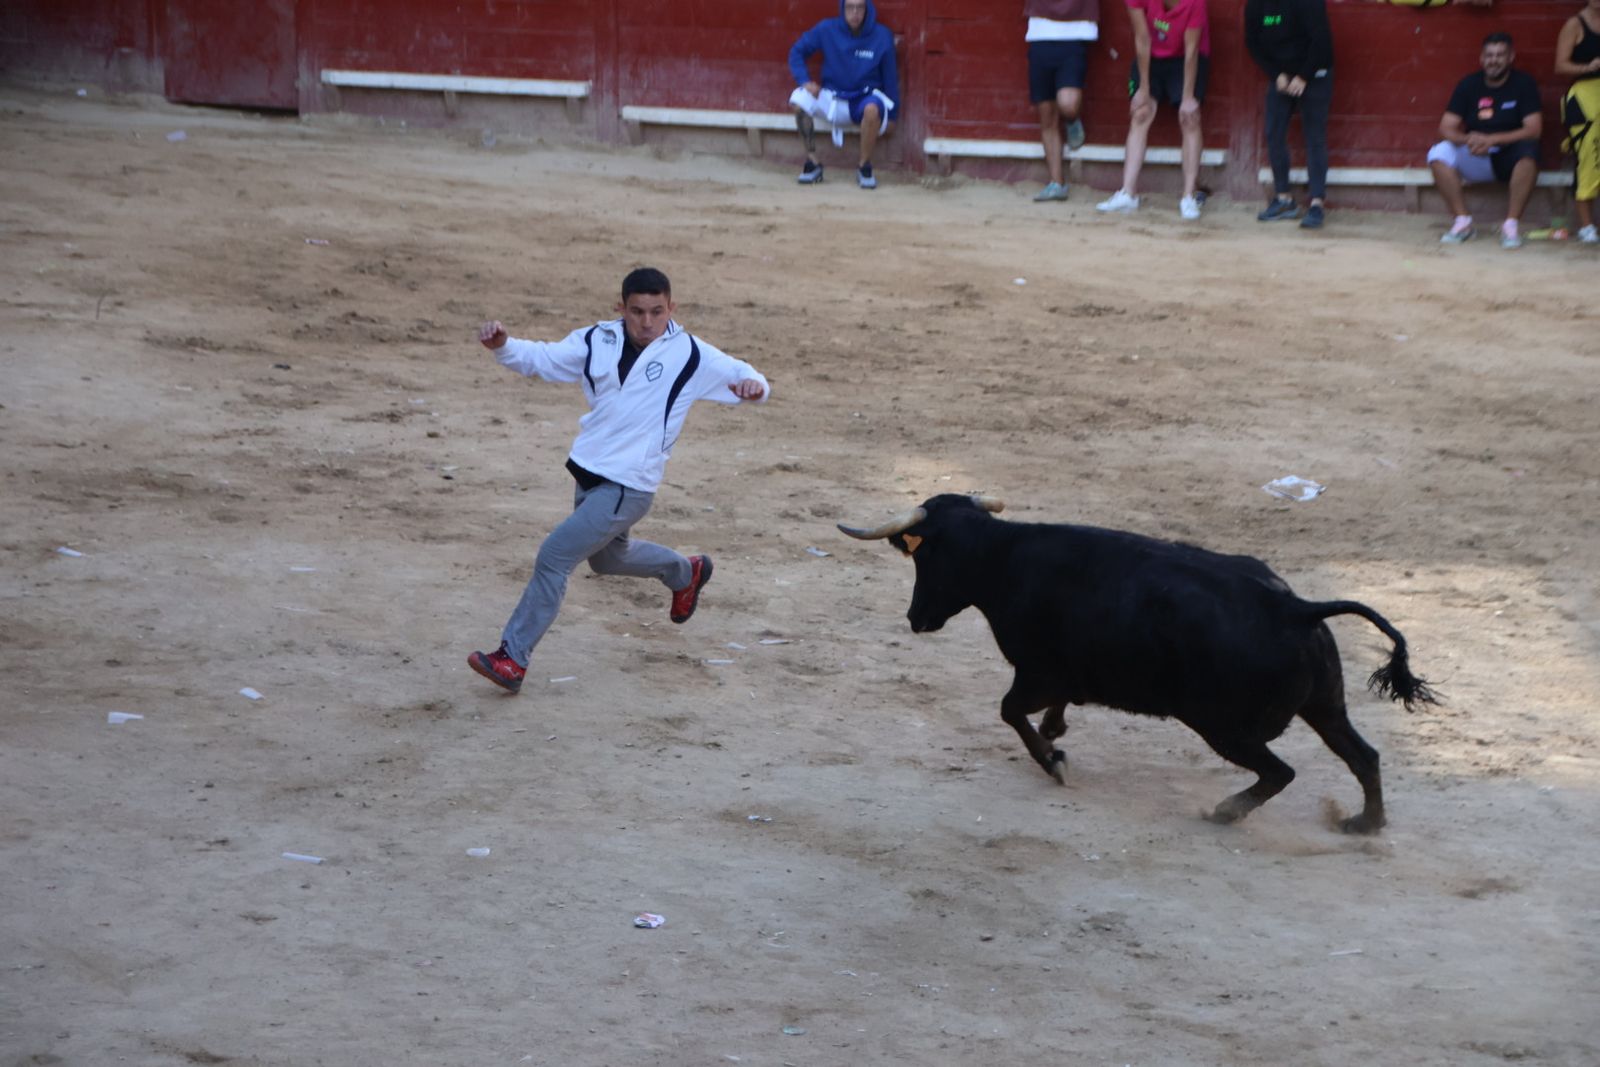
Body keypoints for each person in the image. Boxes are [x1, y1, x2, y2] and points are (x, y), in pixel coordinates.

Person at [466, 268, 771, 695]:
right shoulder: (597, 340)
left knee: (554, 556)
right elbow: (545, 359)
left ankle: (512, 658)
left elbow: (748, 376)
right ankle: (684, 572)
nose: (647, 322)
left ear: (672, 308)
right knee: (607, 560)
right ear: (620, 308)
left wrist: (754, 388)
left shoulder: (691, 354)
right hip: (590, 473)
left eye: (657, 312)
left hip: (629, 485)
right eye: (637, 312)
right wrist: (503, 347)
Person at [1095, 0, 1211, 219]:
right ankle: (1128, 193)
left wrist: (1187, 97)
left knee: (1190, 119)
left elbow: (1192, 50)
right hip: (1151, 58)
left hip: (1185, 59)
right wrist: (1145, 88)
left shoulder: (1196, 3)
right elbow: (1142, 38)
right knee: (1141, 112)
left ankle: (1188, 196)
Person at [1427, 33, 1543, 249]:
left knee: (1530, 151)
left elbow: (1534, 129)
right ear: (1481, 58)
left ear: (1511, 58)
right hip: (1475, 154)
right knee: (1438, 152)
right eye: (1489, 55)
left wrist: (1493, 139)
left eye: (1500, 55)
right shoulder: (1469, 84)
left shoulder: (1524, 83)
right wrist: (1468, 139)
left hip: (1508, 157)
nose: (1494, 60)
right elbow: (1445, 128)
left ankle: (1511, 226)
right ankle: (1463, 222)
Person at [788, 0, 899, 189]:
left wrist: (893, 116)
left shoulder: (882, 36)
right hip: (832, 98)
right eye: (850, 7)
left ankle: (864, 166)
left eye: (860, 7)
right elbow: (797, 52)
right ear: (842, 8)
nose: (855, 12)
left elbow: (890, 77)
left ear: (867, 9)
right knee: (798, 100)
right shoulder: (826, 29)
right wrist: (805, 81)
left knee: (872, 109)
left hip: (864, 100)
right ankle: (813, 162)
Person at [1245, 0, 1335, 229]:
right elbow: (1253, 42)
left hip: (1315, 73)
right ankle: (1283, 198)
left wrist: (1303, 76)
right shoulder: (1257, 4)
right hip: (1283, 75)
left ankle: (1316, 204)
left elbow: (1321, 41)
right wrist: (1277, 75)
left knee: (1314, 136)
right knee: (1273, 133)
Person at [1026, 0, 1101, 202]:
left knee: (1068, 104)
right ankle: (1056, 182)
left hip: (1075, 35)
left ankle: (1071, 118)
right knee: (1046, 114)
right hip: (1040, 33)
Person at [1556, 0, 1600, 243]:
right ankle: (1586, 226)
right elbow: (1560, 65)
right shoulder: (1575, 24)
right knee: (1589, 158)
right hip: (1584, 98)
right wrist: (1588, 66)